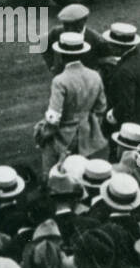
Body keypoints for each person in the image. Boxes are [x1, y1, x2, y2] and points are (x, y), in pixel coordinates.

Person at [38, 31, 108, 176]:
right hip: (87, 132)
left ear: (61, 55)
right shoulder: (95, 75)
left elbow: (53, 118)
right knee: (80, 171)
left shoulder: (60, 80)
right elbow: (101, 107)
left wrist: (43, 135)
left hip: (65, 135)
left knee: (54, 172)